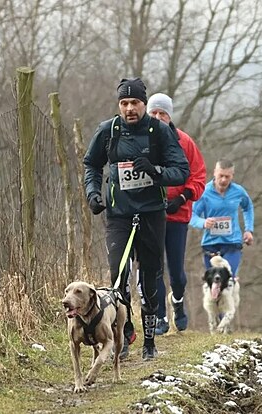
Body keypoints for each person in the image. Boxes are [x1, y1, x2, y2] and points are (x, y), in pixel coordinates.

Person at [83, 78, 189, 360]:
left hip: (152, 214)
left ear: (144, 104)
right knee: (119, 275)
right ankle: (125, 331)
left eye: (135, 103)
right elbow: (91, 165)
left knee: (151, 276)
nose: (129, 109)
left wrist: (155, 171)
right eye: (124, 103)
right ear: (119, 105)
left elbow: (181, 170)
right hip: (119, 215)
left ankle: (150, 340)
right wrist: (93, 194)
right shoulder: (109, 130)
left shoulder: (159, 131)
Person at [146, 93, 206, 335]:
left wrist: (182, 198)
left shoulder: (184, 142)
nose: (158, 117)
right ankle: (160, 317)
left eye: (163, 113)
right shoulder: (141, 140)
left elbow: (199, 177)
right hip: (150, 213)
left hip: (177, 214)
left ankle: (178, 302)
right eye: (154, 113)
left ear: (170, 116)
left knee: (177, 273)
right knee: (154, 268)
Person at [190, 159, 254, 277]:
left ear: (232, 176)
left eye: (227, 177)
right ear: (215, 173)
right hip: (211, 244)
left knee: (228, 278)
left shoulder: (238, 191)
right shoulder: (204, 192)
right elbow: (191, 214)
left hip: (232, 243)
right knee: (213, 283)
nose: (224, 180)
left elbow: (248, 207)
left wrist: (248, 229)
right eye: (221, 176)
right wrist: (203, 223)